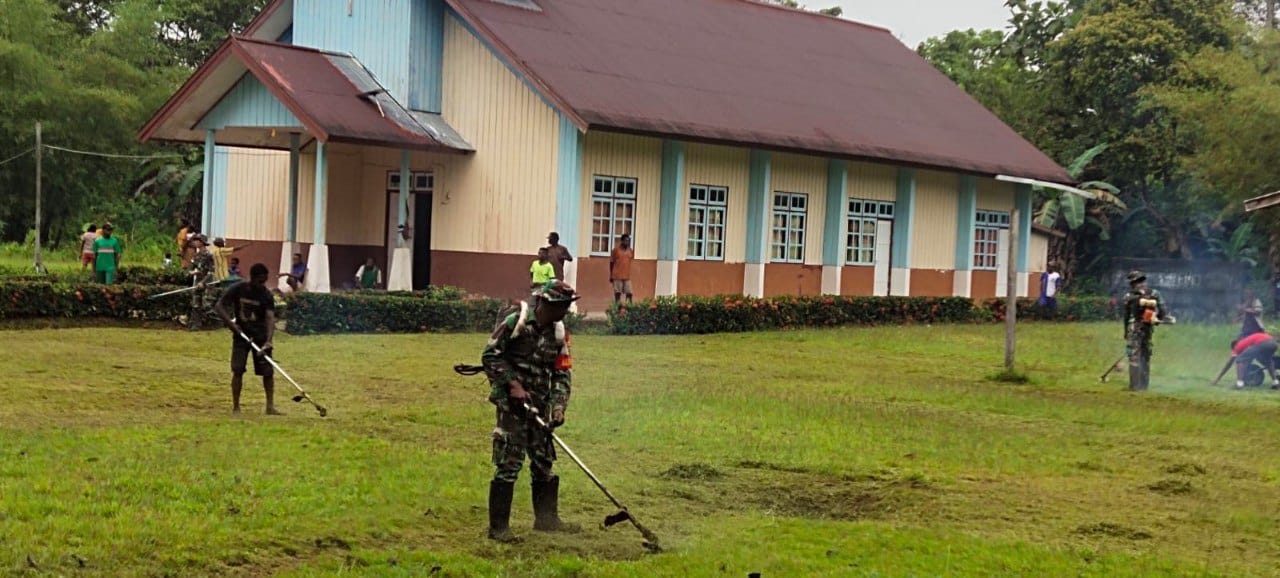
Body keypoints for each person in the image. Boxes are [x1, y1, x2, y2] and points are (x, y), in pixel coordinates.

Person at [481, 280, 581, 543]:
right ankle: (498, 528)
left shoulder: (559, 333)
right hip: (513, 408)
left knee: (543, 463)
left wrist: (558, 407)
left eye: (567, 306)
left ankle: (547, 520)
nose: (566, 311)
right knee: (509, 464)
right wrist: (513, 384)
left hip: (540, 408)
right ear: (546, 303)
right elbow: (490, 356)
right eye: (562, 306)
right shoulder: (517, 323)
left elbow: (562, 373)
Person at [213, 263, 281, 416]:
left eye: (265, 281)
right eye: (260, 281)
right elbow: (219, 306)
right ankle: (236, 407)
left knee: (268, 372)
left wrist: (268, 341)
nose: (262, 284)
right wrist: (231, 325)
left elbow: (270, 318)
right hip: (241, 336)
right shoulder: (238, 289)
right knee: (238, 370)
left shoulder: (266, 295)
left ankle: (270, 406)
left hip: (260, 337)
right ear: (253, 278)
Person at [1122, 270, 1170, 392]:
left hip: (1146, 328)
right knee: (1135, 357)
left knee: (1144, 355)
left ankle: (1142, 386)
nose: (1140, 284)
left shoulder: (1154, 294)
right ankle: (1135, 386)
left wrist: (1161, 318)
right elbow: (1127, 315)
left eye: (1141, 281)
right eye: (1138, 282)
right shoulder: (1130, 296)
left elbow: (1163, 310)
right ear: (1133, 284)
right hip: (1135, 328)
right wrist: (1125, 332)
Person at [609, 234, 634, 305]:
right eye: (625, 240)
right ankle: (617, 308)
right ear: (622, 241)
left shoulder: (630, 251)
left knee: (629, 293)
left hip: (627, 276)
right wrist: (611, 275)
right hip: (617, 276)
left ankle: (629, 308)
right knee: (617, 293)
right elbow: (611, 262)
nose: (627, 242)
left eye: (628, 241)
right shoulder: (616, 250)